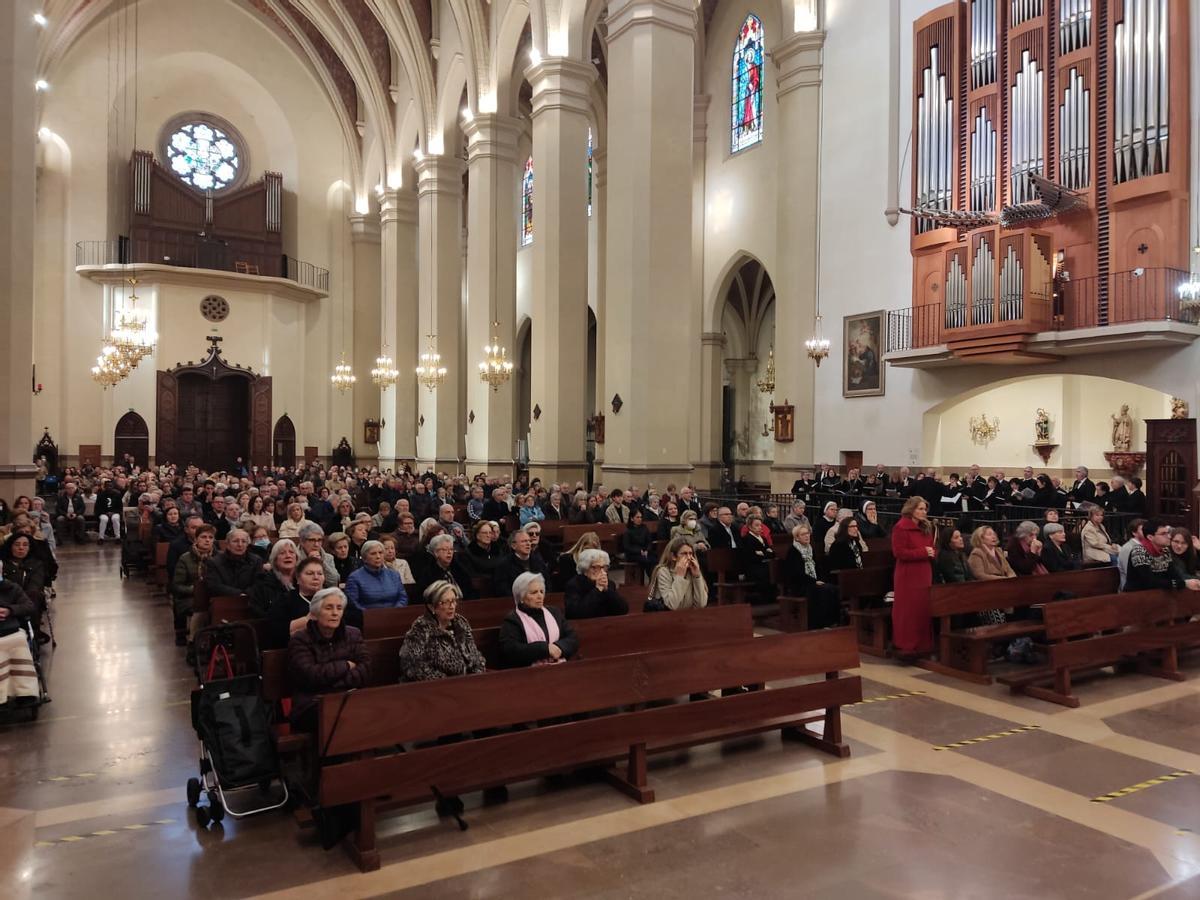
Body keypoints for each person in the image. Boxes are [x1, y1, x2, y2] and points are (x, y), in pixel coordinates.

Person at [287, 588, 371, 732]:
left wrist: (331, 682)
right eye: (328, 608)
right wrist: (346, 665)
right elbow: (311, 675)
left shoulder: (353, 634)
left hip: (349, 696)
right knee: (339, 717)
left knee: (378, 708)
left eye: (339, 608)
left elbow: (365, 669)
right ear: (315, 613)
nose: (335, 613)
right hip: (312, 703)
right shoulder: (300, 639)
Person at [399, 581, 488, 682]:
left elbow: (475, 656)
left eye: (454, 601)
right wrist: (446, 683)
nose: (452, 606)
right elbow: (413, 666)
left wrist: (476, 677)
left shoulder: (461, 624)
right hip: (434, 687)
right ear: (432, 607)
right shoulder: (420, 629)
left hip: (465, 683)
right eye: (445, 602)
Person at [498, 572, 578, 667]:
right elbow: (511, 650)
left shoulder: (554, 612)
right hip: (530, 673)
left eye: (541, 591)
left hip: (560, 665)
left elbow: (573, 638)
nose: (540, 596)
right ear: (521, 597)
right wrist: (544, 649)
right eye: (534, 592)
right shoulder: (513, 620)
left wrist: (560, 647)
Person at [890, 496, 935, 658]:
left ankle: (923, 644)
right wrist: (923, 552)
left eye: (925, 509)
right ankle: (906, 645)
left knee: (922, 609)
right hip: (908, 574)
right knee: (908, 610)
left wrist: (931, 552)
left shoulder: (925, 527)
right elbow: (899, 553)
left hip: (924, 571)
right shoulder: (901, 527)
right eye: (920, 509)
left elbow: (930, 546)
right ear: (911, 509)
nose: (924, 512)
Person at [779, 524, 840, 628]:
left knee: (833, 589)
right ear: (797, 537)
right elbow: (796, 573)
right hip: (800, 585)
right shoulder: (793, 551)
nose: (807, 536)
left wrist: (820, 579)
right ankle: (818, 623)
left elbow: (818, 567)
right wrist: (814, 581)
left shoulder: (810, 548)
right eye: (803, 534)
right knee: (823, 590)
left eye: (808, 533)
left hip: (812, 581)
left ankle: (832, 621)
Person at [249, 539, 303, 648]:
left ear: (297, 558)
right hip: (273, 637)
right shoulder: (262, 583)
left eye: (291, 552)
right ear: (274, 560)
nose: (288, 556)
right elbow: (259, 614)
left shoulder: (303, 582)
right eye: (282, 553)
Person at [172, 523, 216, 650]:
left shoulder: (219, 556)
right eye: (203, 537)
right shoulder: (185, 558)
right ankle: (194, 644)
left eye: (211, 537)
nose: (207, 540)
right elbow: (177, 586)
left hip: (214, 596)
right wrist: (196, 590)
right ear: (196, 539)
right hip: (189, 597)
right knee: (201, 610)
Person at [1125, 520, 1200, 592]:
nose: (1169, 536)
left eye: (1168, 533)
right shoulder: (1139, 551)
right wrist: (1184, 584)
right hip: (1136, 597)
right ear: (1150, 537)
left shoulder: (1165, 551)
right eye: (1163, 534)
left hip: (1157, 596)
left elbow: (1174, 575)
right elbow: (1149, 582)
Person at [0, 575, 39, 708]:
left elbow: (29, 606)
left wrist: (10, 610)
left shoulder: (12, 588)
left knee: (20, 642)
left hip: (12, 629)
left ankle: (26, 692)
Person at [564, 548, 628, 619]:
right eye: (595, 567)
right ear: (585, 568)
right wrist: (597, 590)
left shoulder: (609, 584)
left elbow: (623, 610)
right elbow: (576, 613)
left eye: (604, 567)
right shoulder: (574, 584)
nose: (601, 571)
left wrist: (608, 591)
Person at [646, 539, 708, 612]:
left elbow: (701, 604)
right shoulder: (663, 572)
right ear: (673, 556)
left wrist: (697, 577)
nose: (689, 557)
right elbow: (671, 605)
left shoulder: (692, 571)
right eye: (684, 554)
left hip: (688, 617)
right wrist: (680, 576)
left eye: (690, 553)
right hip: (667, 618)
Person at [344, 540, 408, 610]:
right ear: (364, 558)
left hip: (393, 616)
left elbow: (402, 597)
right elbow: (353, 603)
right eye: (373, 553)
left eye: (380, 553)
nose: (378, 556)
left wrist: (394, 612)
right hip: (367, 618)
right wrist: (372, 615)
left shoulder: (394, 575)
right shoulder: (354, 578)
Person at [412, 533, 477, 600]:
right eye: (445, 549)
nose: (449, 552)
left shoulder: (459, 569)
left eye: (451, 549)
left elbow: (470, 591)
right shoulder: (428, 573)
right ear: (436, 552)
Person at [491, 528, 550, 597]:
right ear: (513, 546)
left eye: (529, 541)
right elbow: (502, 589)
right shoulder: (504, 565)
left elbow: (547, 583)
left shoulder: (538, 561)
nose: (528, 544)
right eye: (524, 541)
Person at [205, 528, 259, 598]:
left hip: (250, 600)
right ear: (227, 544)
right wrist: (239, 593)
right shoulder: (214, 562)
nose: (240, 544)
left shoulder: (256, 561)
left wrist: (247, 593)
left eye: (244, 541)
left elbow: (259, 583)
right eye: (235, 541)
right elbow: (214, 586)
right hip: (224, 601)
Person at [297, 524, 340, 588]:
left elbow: (334, 582)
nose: (316, 544)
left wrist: (322, 563)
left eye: (319, 540)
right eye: (312, 540)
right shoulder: (294, 557)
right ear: (302, 542)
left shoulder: (328, 558)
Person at [620, 509, 655, 578]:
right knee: (647, 561)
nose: (640, 519)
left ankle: (655, 579)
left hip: (645, 552)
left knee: (655, 559)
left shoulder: (644, 528)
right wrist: (639, 551)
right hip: (633, 554)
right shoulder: (628, 531)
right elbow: (627, 547)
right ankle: (651, 579)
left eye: (641, 517)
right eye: (637, 517)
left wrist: (647, 550)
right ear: (632, 519)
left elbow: (649, 541)